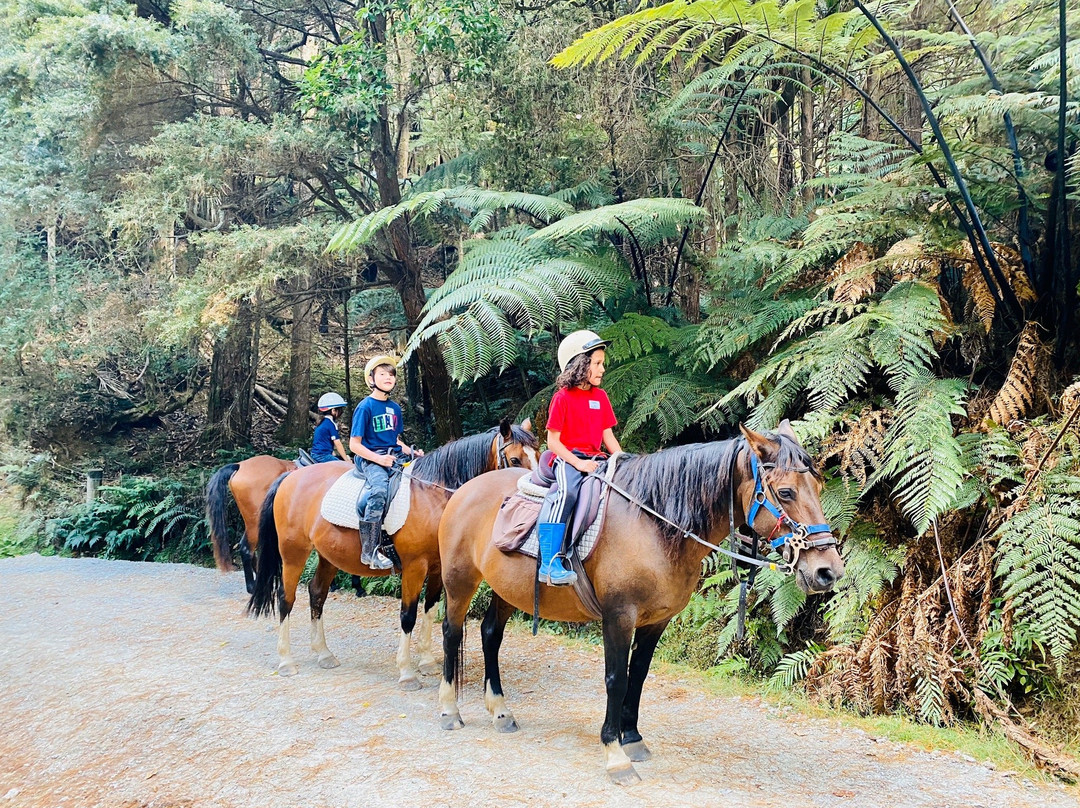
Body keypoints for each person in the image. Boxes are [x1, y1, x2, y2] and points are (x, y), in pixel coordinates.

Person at [538, 330, 622, 586]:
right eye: (596, 363)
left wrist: (622, 459)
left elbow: (607, 436)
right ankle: (549, 564)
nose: (602, 369)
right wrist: (578, 463)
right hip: (568, 459)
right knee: (568, 494)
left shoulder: (601, 397)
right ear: (580, 364)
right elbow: (553, 441)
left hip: (598, 459)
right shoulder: (561, 398)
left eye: (601, 363)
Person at [349, 355, 424, 570]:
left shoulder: (395, 409)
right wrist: (378, 458)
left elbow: (396, 441)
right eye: (382, 374)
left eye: (391, 374)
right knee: (379, 490)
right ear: (372, 379)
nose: (388, 378)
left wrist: (414, 452)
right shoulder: (365, 407)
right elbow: (354, 445)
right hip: (370, 458)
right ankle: (369, 551)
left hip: (393, 456)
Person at [310, 393, 350, 463]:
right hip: (322, 455)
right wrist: (346, 460)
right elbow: (337, 443)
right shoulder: (331, 424)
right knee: (342, 466)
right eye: (340, 410)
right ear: (333, 410)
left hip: (316, 453)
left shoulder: (322, 422)